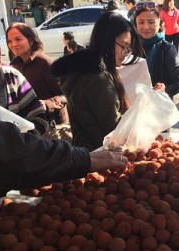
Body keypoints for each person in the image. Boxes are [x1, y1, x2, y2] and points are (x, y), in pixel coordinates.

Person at [0, 0, 128, 234]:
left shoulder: (11, 77)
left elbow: (35, 122)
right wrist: (75, 159)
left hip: (23, 174)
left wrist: (64, 156)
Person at [51, 12, 144, 151]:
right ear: (107, 41)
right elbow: (115, 130)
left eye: (128, 48)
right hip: (100, 158)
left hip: (88, 153)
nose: (126, 53)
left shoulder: (87, 68)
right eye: (124, 46)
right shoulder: (98, 78)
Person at [6, 23, 69, 125]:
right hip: (29, 126)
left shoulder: (45, 63)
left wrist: (47, 104)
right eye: (9, 41)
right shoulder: (13, 65)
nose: (13, 44)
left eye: (18, 39)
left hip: (53, 126)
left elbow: (65, 95)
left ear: (30, 41)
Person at [135, 2, 179, 99]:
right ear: (135, 24)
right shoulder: (130, 48)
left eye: (151, 22)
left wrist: (164, 89)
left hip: (160, 107)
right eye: (141, 22)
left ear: (160, 23)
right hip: (135, 106)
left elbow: (178, 83)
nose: (146, 27)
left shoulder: (167, 49)